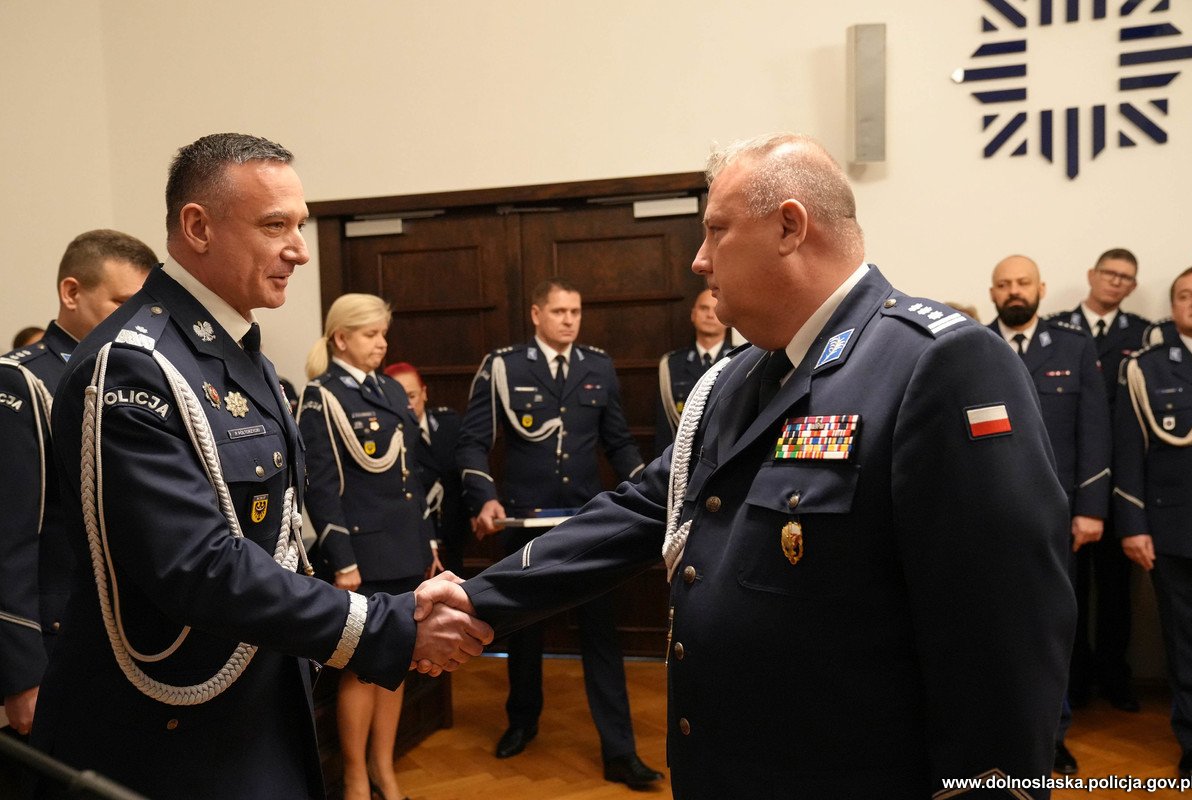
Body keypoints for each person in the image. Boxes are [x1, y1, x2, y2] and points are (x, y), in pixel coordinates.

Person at [418, 133, 1075, 799]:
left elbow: (1005, 633)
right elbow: (644, 508)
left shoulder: (935, 363)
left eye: (716, 230)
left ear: (790, 227)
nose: (699, 260)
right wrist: (478, 597)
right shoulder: (742, 376)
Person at [30, 133, 492, 800]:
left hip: (254, 694)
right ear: (198, 227)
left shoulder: (242, 356)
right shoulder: (134, 364)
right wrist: (380, 623)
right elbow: (197, 565)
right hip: (170, 726)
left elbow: (276, 538)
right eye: (276, 226)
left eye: (299, 226)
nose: (299, 249)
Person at [455, 278, 663, 788]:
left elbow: (618, 442)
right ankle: (522, 721)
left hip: (589, 522)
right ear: (536, 314)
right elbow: (472, 441)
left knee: (601, 636)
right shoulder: (504, 366)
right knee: (523, 632)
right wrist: (484, 497)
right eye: (559, 311)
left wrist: (655, 493)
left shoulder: (598, 366)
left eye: (576, 311)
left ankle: (620, 752)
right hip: (525, 521)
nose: (570, 320)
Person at [0, 231, 155, 775]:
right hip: (60, 636)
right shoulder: (24, 381)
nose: (133, 319)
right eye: (120, 302)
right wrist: (22, 670)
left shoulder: (133, 372)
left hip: (131, 632)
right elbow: (11, 536)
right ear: (71, 292)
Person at [298, 294, 432, 800]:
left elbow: (412, 476)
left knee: (396, 661)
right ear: (341, 338)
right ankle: (356, 776)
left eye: (383, 334)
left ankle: (384, 768)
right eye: (371, 334)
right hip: (362, 554)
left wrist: (427, 543)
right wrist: (343, 561)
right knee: (361, 667)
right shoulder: (323, 395)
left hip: (404, 546)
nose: (381, 344)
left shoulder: (390, 390)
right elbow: (320, 485)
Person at [986, 254, 1110, 776]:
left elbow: (1095, 432)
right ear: (992, 293)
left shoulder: (1073, 347)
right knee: (994, 632)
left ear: (1041, 288)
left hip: (1058, 518)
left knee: (1051, 630)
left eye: (1023, 282)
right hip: (990, 518)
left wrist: (1091, 510)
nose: (1014, 291)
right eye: (1004, 284)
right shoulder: (973, 346)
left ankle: (1052, 735)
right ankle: (1001, 736)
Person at [1048, 248, 1148, 713]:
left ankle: (1115, 675)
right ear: (1092, 275)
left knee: (1116, 588)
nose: (1116, 282)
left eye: (1126, 278)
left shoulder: (1142, 334)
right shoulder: (1057, 329)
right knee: (1070, 588)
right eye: (1110, 273)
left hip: (1121, 479)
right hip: (1072, 478)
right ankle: (1076, 679)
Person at [1113, 265, 1192, 779]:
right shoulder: (1147, 368)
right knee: (1187, 643)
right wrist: (1133, 523)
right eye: (1185, 295)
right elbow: (1129, 452)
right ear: (1172, 307)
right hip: (1177, 530)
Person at [385, 362, 469, 576]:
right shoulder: (387, 439)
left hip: (453, 529)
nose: (408, 405)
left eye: (412, 396)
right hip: (413, 534)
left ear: (424, 393)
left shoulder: (449, 423)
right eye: (399, 399)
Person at [654, 288, 732, 452]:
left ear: (727, 316)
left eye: (716, 309)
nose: (710, 315)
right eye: (704, 308)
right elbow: (665, 428)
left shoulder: (742, 360)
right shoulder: (672, 364)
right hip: (684, 456)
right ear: (693, 314)